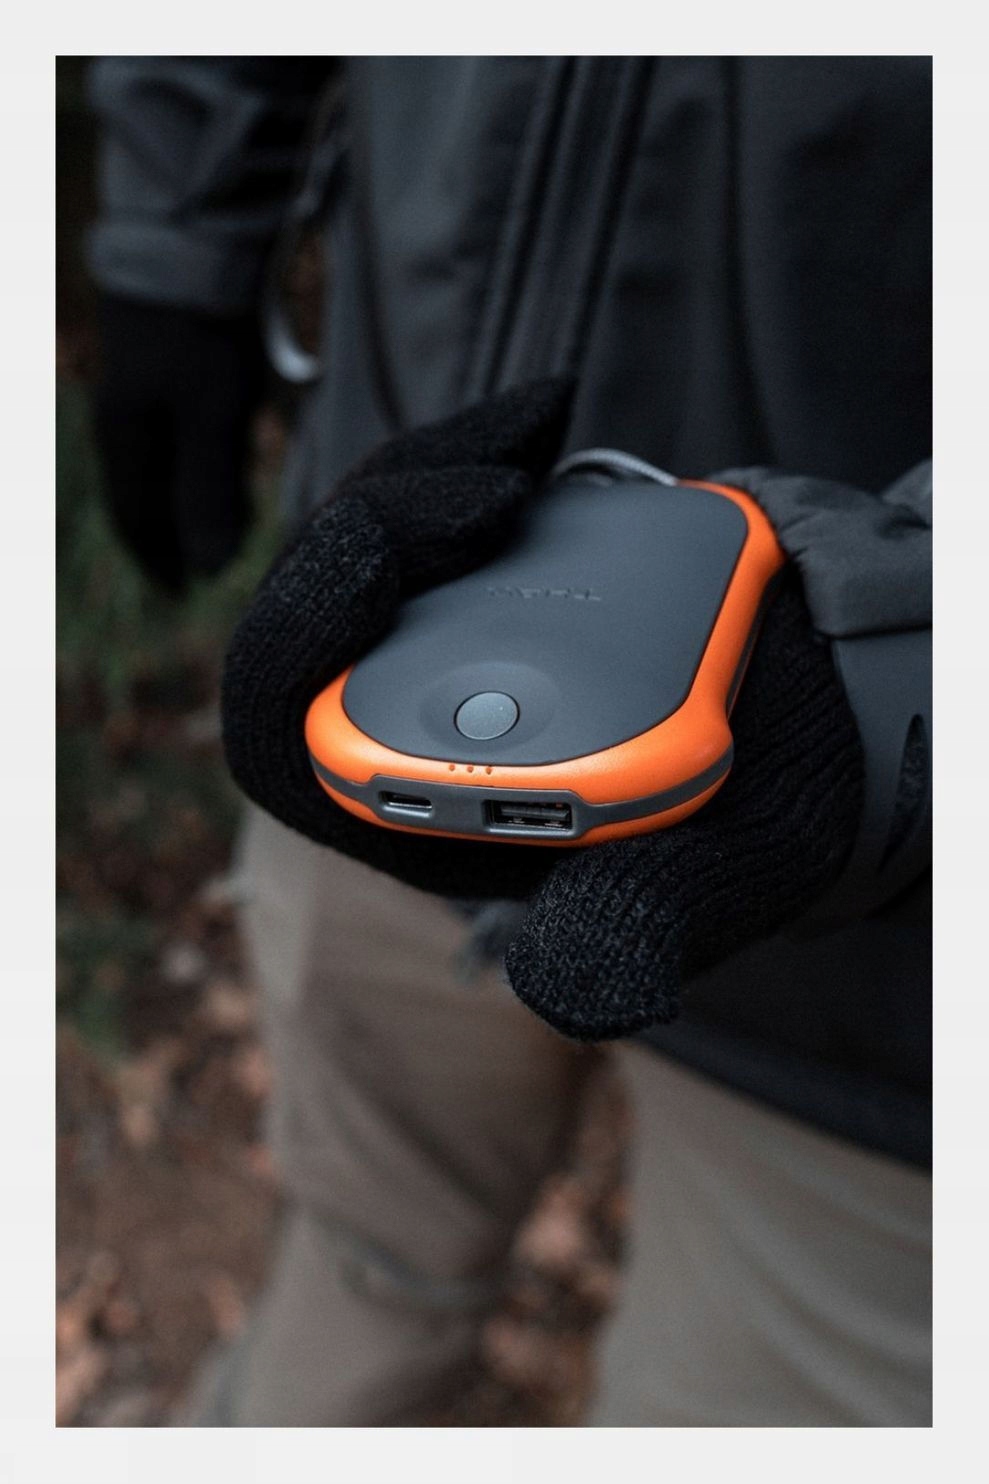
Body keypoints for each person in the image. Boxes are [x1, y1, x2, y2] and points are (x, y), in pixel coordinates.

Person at [86, 56, 932, 1426]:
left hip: (890, 971)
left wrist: (912, 663)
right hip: (394, 641)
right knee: (360, 1255)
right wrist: (177, 231)